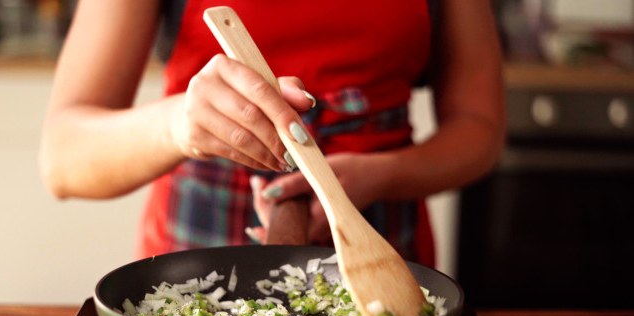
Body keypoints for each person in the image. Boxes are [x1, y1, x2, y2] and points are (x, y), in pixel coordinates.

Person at [39, 0, 505, 268]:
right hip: (195, 260)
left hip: (384, 251)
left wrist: (384, 174)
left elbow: (480, 130)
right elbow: (62, 158)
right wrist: (181, 123)